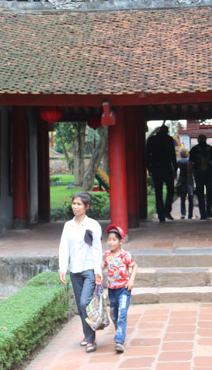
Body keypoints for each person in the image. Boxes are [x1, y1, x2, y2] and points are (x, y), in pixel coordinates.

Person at [58, 192, 103, 353]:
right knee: (80, 305)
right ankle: (87, 335)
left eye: (79, 204)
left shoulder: (93, 225)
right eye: (74, 204)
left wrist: (98, 271)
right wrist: (63, 267)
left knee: (85, 302)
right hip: (74, 270)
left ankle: (91, 340)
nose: (75, 207)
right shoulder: (68, 226)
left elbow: (97, 249)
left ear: (87, 207)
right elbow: (64, 247)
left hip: (89, 269)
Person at [103, 224, 137, 354]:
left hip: (124, 289)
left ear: (121, 241)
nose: (111, 242)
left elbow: (134, 266)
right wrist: (98, 272)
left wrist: (131, 280)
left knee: (122, 313)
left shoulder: (125, 255)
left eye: (114, 239)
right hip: (112, 289)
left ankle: (119, 341)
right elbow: (104, 265)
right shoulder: (107, 255)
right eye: (109, 239)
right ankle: (119, 329)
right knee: (113, 314)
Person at [145, 124, 177, 222]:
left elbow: (147, 155)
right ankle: (167, 211)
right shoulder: (169, 139)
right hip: (167, 168)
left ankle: (161, 215)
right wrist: (175, 169)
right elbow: (173, 155)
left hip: (156, 168)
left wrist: (149, 168)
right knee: (170, 190)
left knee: (158, 192)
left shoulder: (152, 140)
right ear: (166, 131)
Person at [188, 134, 212, 220]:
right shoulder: (210, 148)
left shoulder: (194, 149)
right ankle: (209, 212)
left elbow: (190, 163)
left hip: (198, 174)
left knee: (200, 194)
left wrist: (189, 175)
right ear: (206, 139)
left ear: (198, 140)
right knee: (209, 194)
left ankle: (203, 214)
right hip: (209, 174)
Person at [176, 146, 194, 219]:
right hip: (189, 180)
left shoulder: (179, 161)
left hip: (181, 180)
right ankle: (190, 214)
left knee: (182, 198)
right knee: (190, 198)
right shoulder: (190, 160)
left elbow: (175, 170)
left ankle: (183, 214)